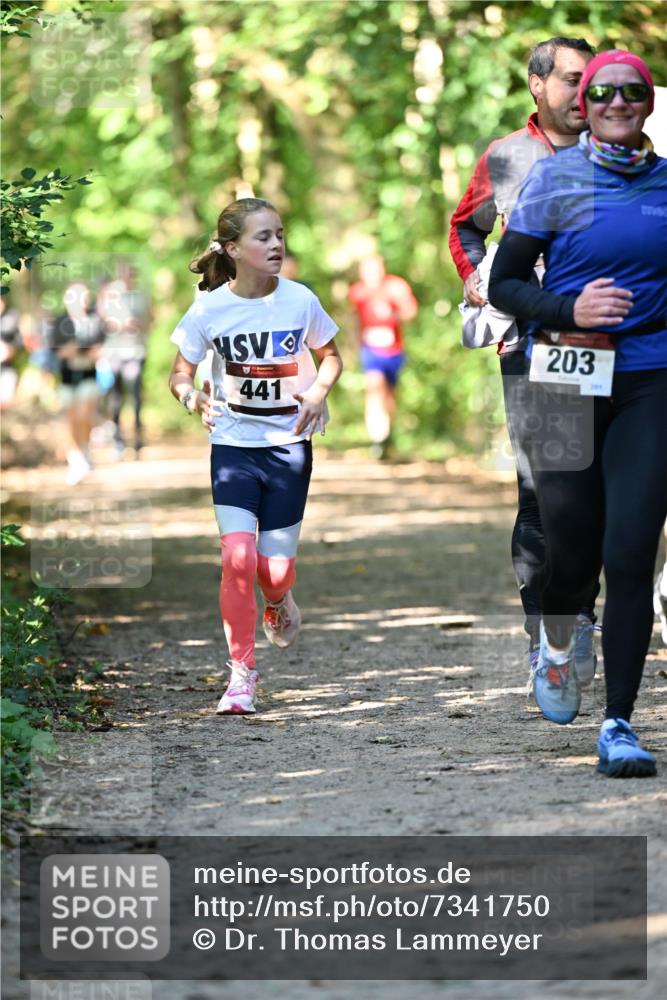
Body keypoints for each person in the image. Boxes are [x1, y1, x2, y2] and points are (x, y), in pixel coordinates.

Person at [489, 50, 666, 778]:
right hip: (562, 377)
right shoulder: (554, 179)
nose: (618, 103)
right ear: (582, 105)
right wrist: (569, 308)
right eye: (603, 93)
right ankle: (559, 637)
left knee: (630, 550)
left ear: (648, 103)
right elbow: (503, 283)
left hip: (650, 380)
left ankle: (618, 722)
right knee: (570, 552)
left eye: (632, 92)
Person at [449, 36, 598, 678]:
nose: (583, 93)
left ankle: (584, 618)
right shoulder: (507, 157)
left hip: (617, 343)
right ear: (536, 84)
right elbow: (465, 226)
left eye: (590, 80)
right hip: (531, 342)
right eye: (570, 80)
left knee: (608, 487)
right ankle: (548, 641)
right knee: (542, 493)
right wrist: (479, 277)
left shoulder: (624, 150)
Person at [168, 197, 342, 715]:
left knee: (276, 569)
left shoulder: (300, 300)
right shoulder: (209, 309)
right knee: (237, 559)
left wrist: (317, 394)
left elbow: (330, 357)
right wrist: (191, 396)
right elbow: (179, 372)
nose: (276, 245)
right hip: (233, 447)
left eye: (279, 235)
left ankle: (278, 598)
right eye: (263, 237)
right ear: (232, 249)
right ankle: (241, 674)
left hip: (288, 448)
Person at [348, 253, 417, 459]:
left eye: (376, 269)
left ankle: (387, 434)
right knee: (374, 387)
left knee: (389, 394)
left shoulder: (396, 287)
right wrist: (354, 343)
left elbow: (411, 311)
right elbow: (353, 319)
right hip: (370, 350)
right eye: (367, 270)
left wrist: (393, 315)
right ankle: (377, 438)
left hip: (394, 350)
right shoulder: (357, 291)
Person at [51, 281, 105, 485]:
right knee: (70, 417)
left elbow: (97, 350)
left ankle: (84, 450)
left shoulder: (94, 320)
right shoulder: (59, 322)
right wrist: (75, 350)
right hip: (66, 378)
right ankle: (76, 458)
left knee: (85, 414)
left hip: (88, 376)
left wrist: (78, 350)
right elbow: (58, 352)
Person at [97, 264, 150, 455]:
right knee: (116, 397)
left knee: (135, 395)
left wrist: (139, 325)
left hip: (136, 351)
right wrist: (120, 324)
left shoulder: (141, 295)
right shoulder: (111, 293)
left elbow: (150, 319)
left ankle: (137, 437)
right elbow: (102, 320)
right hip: (114, 353)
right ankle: (118, 439)